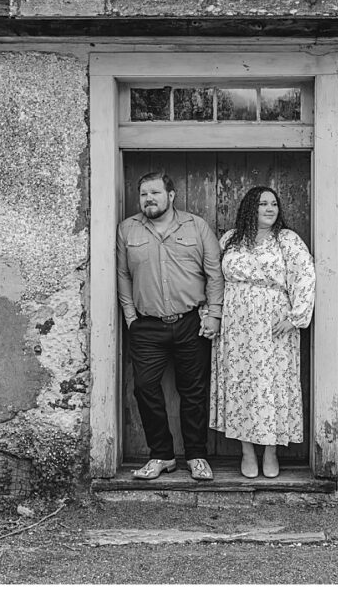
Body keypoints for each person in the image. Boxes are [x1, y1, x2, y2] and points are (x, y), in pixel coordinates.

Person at [116, 171, 223, 481]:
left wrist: (214, 314)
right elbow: (123, 275)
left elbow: (214, 273)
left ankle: (196, 455)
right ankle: (162, 455)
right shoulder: (128, 230)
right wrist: (130, 317)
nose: (149, 199)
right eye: (144, 194)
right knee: (145, 389)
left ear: (171, 196)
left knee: (193, 391)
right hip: (146, 326)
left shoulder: (196, 226)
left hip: (191, 322)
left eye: (156, 193)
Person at [210, 186, 315, 478]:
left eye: (273, 204)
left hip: (274, 325)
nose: (269, 209)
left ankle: (270, 450)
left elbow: (305, 276)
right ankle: (246, 452)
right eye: (262, 204)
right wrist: (212, 315)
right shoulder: (230, 240)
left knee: (273, 386)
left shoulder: (287, 240)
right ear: (249, 208)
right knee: (243, 385)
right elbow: (214, 279)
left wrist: (296, 317)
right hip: (237, 327)